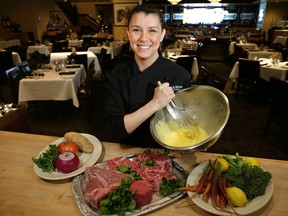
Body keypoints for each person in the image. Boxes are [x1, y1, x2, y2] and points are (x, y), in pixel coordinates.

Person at [104, 4, 191, 147]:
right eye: (136, 30)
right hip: (129, 152)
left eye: (152, 30)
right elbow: (114, 130)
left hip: (167, 153)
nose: (144, 38)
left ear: (162, 35)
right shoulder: (117, 74)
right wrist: (154, 104)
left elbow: (184, 123)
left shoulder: (181, 75)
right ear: (128, 34)